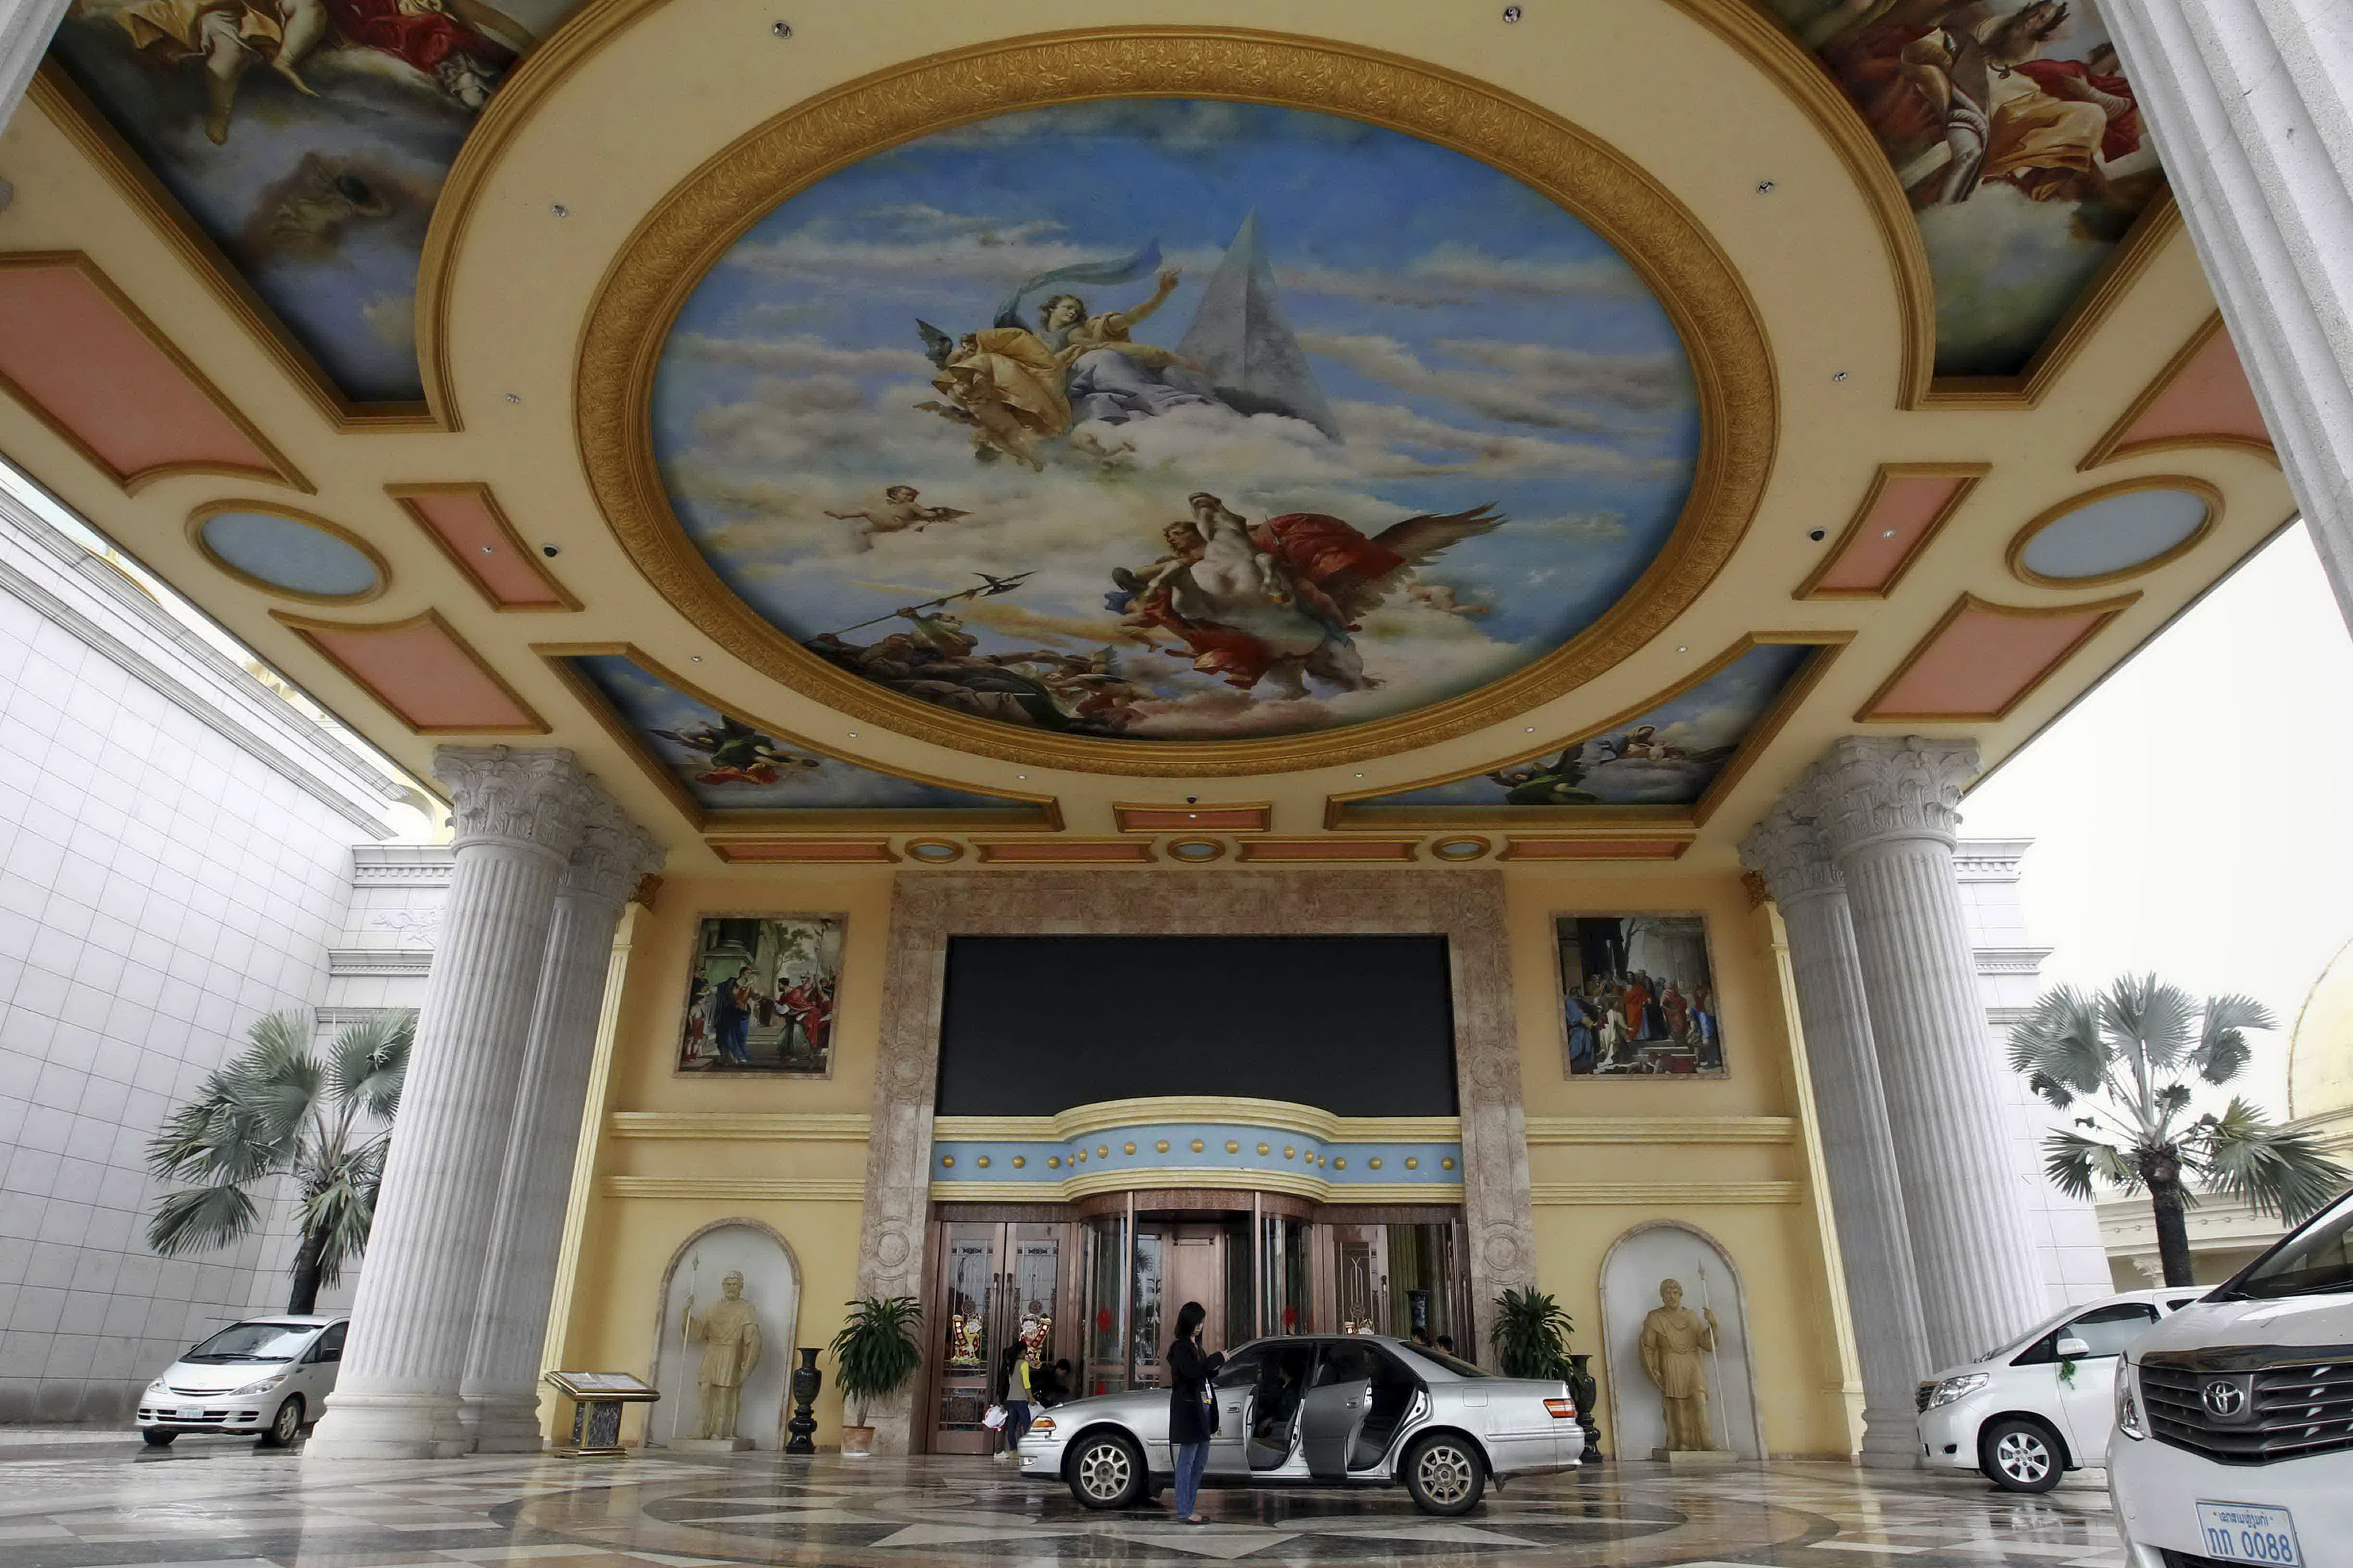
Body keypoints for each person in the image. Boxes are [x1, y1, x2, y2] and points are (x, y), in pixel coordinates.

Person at [1166, 1300, 1224, 1524]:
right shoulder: (1180, 1347)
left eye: (1201, 1323)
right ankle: (1185, 1510)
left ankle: (1189, 1507)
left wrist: (1214, 1368)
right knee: (1188, 1461)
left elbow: (1202, 1374)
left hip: (1204, 1408)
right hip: (1190, 1409)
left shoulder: (1197, 1347)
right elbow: (1191, 1373)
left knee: (1199, 1462)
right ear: (1186, 1322)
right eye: (1196, 1322)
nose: (1199, 1327)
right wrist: (1215, 1360)